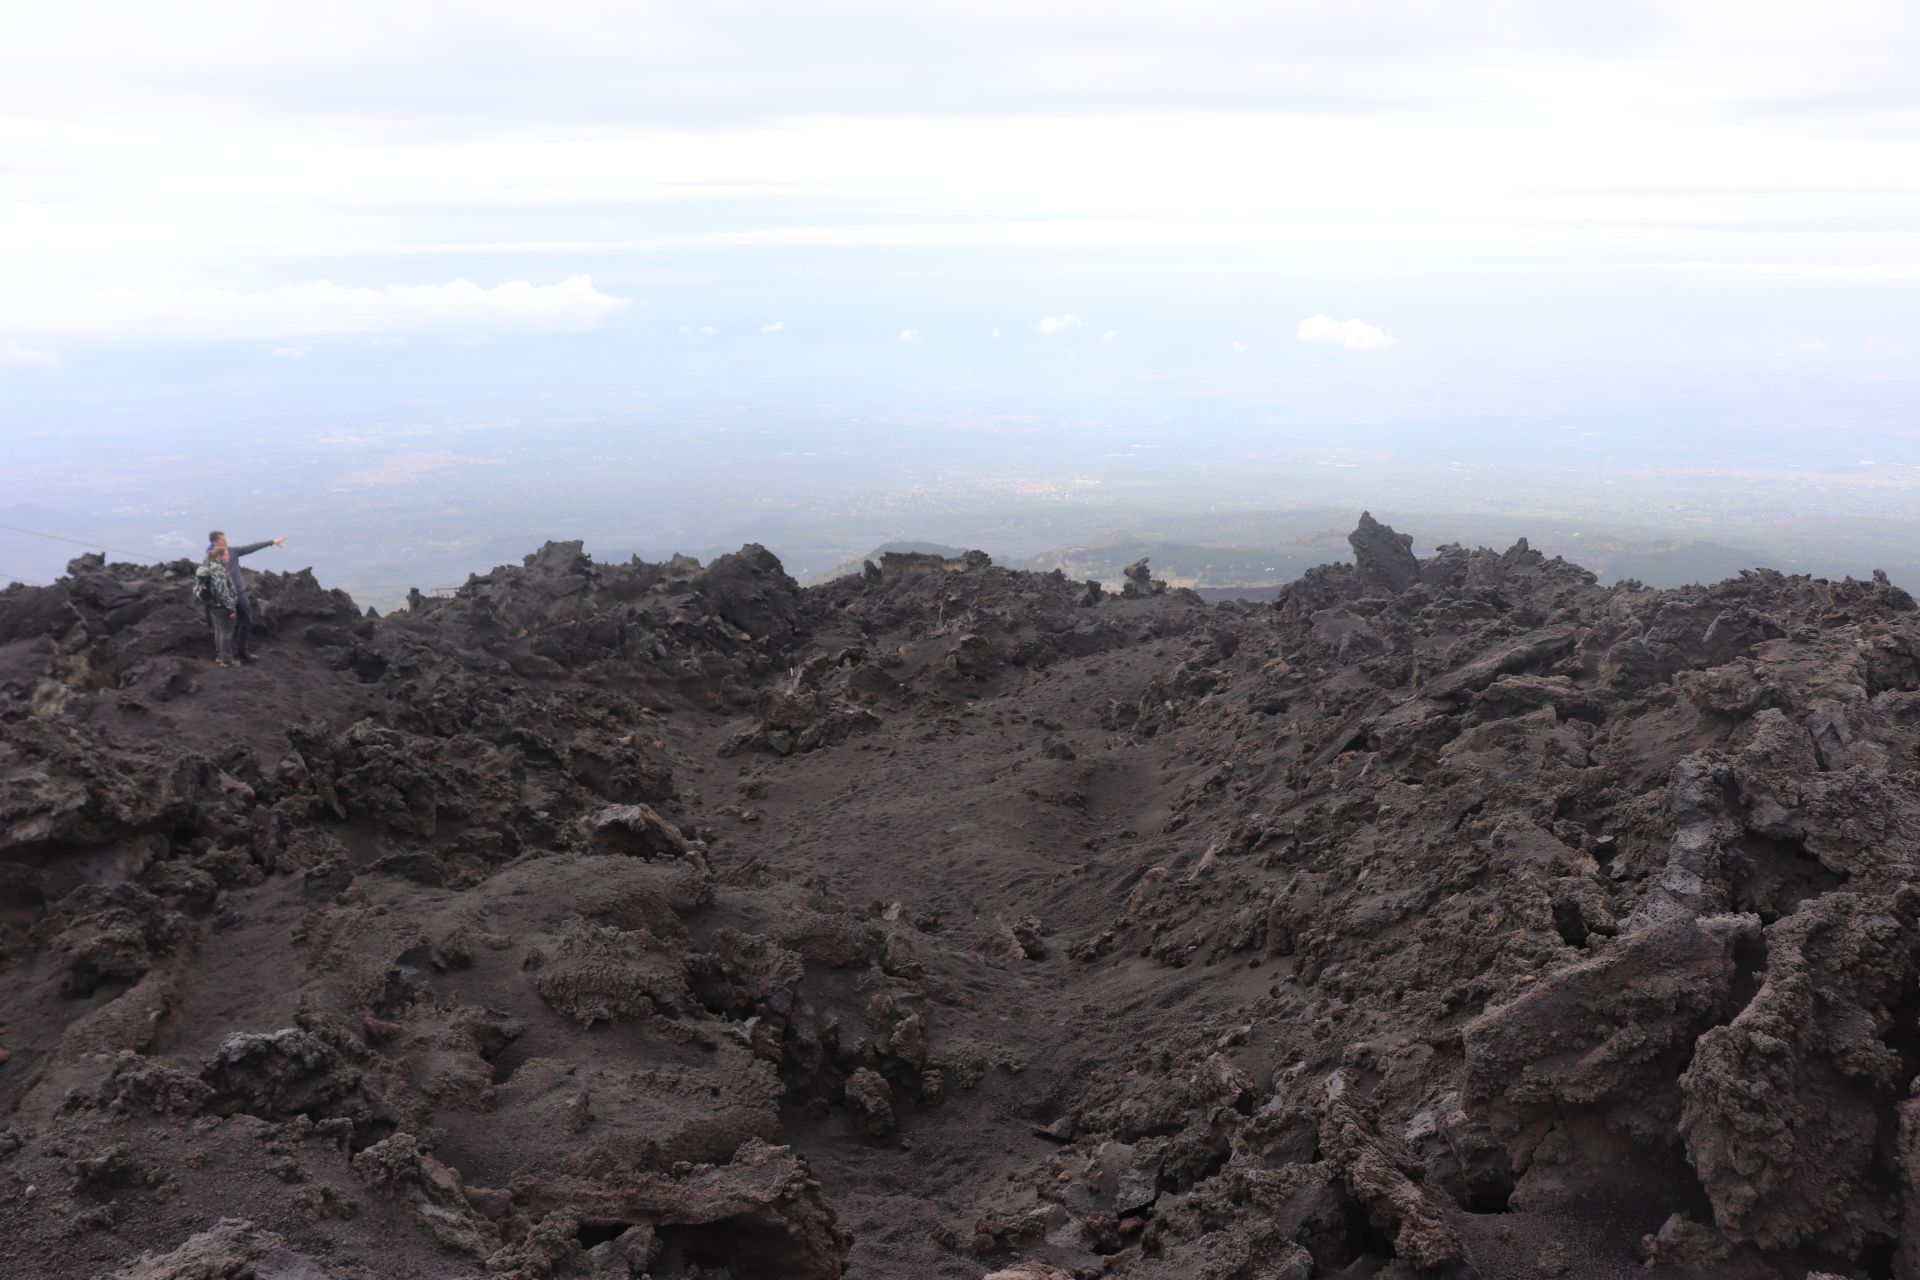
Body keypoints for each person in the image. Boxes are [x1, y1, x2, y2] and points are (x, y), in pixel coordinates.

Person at [205, 530, 288, 664]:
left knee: (246, 621)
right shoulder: (210, 559)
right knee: (223, 628)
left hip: (240, 593)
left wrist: (272, 542)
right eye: (222, 539)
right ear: (215, 542)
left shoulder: (232, 551)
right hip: (225, 598)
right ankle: (224, 657)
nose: (226, 541)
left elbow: (251, 548)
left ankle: (241, 651)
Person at [195, 545, 242, 667]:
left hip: (214, 606)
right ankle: (227, 660)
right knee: (226, 633)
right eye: (226, 554)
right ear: (220, 556)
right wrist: (231, 608)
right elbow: (223, 592)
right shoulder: (219, 570)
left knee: (219, 630)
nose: (228, 556)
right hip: (222, 607)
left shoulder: (211, 566)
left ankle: (220, 656)